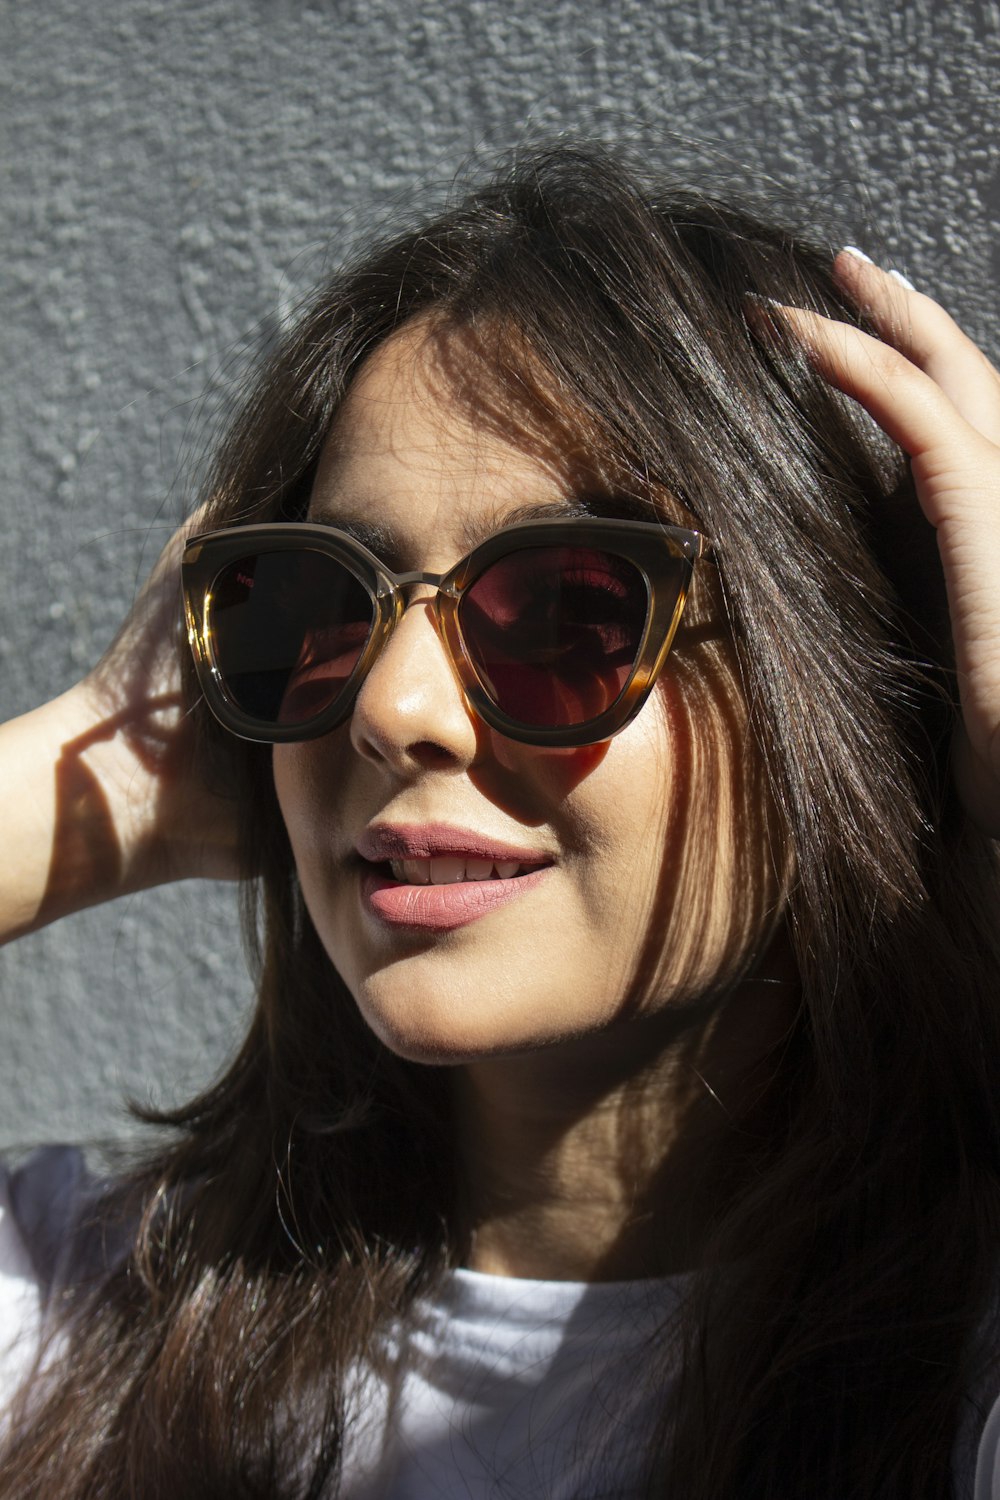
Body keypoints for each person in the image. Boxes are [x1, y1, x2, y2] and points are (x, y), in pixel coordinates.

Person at [0, 141, 999, 1499]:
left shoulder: (966, 1380)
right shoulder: (84, 1319)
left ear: (850, 684)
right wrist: (102, 789)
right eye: (319, 604)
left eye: (575, 608)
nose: (391, 707)